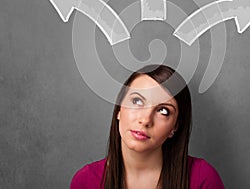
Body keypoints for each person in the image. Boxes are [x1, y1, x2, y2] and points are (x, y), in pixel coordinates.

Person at [70, 64, 225, 189]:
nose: (145, 120)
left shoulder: (202, 179)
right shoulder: (86, 181)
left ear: (174, 127)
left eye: (163, 111)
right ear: (119, 109)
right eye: (137, 101)